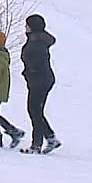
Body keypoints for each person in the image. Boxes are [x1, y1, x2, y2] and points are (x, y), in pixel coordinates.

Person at [20, 14, 60, 154]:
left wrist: (30, 72)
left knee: (34, 111)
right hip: (42, 80)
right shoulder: (37, 40)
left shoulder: (36, 43)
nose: (25, 27)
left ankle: (37, 145)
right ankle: (49, 137)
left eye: (27, 25)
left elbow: (37, 63)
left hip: (39, 81)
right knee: (35, 111)